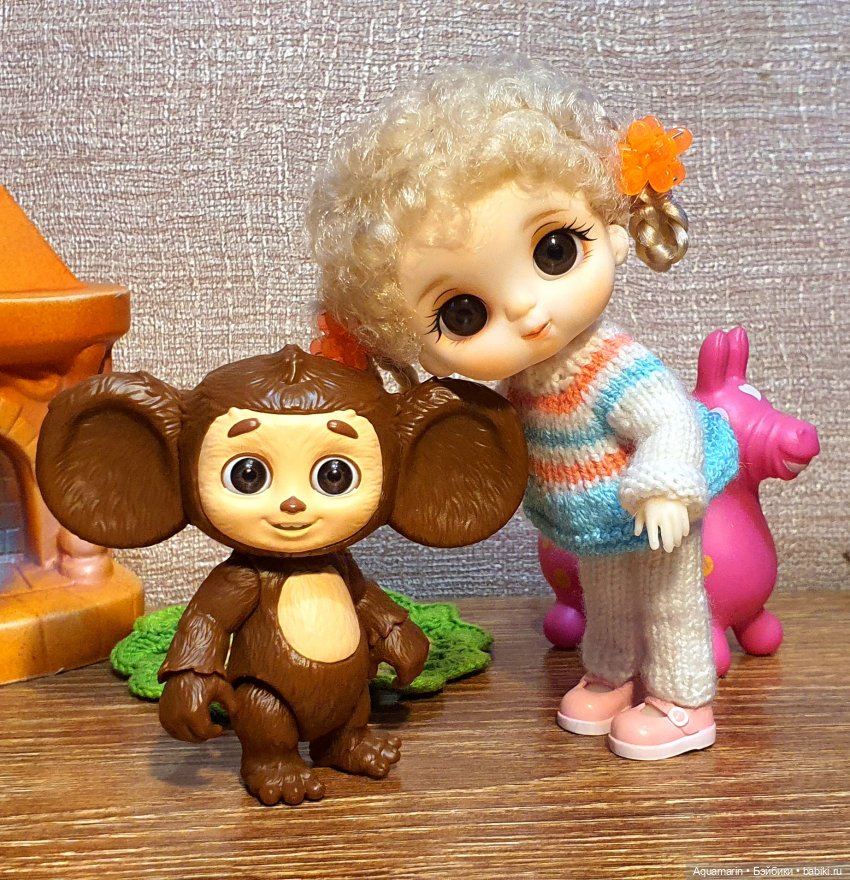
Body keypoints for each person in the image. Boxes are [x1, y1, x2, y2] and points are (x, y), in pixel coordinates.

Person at [306, 59, 737, 760]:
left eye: (554, 250)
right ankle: (611, 675)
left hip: (658, 507)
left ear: (610, 225)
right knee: (607, 600)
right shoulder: (519, 387)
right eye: (464, 312)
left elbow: (668, 417)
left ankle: (684, 700)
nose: (529, 311)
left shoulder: (610, 362)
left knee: (669, 600)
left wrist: (664, 487)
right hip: (596, 521)